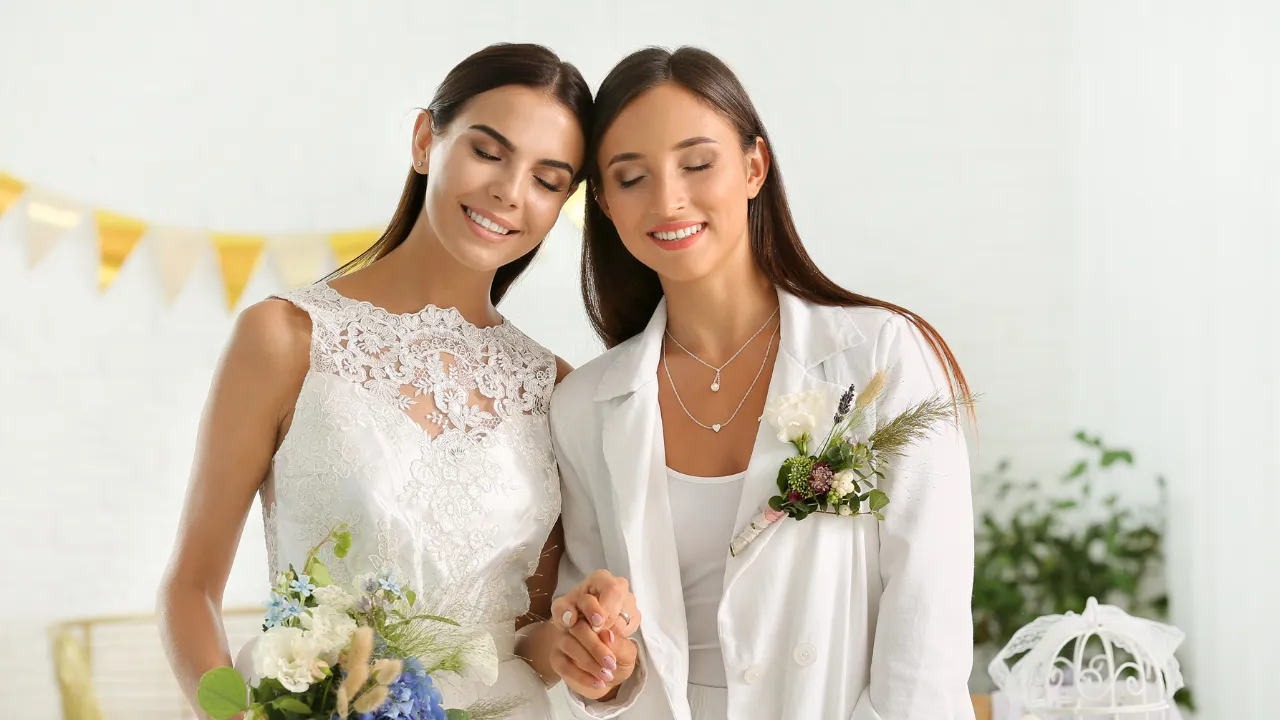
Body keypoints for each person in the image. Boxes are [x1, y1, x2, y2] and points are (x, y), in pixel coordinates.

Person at [156, 42, 638, 719]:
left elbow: (525, 637)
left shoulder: (553, 387)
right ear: (423, 140)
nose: (509, 190)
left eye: (548, 179)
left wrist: (577, 645)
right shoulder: (287, 338)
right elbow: (190, 589)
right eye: (489, 152)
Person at [548, 46, 977, 719]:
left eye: (697, 164)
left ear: (754, 166)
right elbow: (595, 656)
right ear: (602, 201)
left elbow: (929, 612)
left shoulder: (881, 357)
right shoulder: (584, 406)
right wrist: (603, 664)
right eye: (632, 178)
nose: (669, 198)